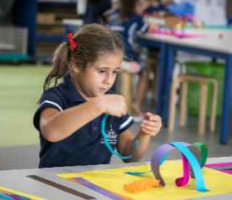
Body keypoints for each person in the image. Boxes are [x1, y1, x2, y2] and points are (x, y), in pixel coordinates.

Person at [33, 24, 162, 168]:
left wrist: (144, 134)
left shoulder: (110, 104)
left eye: (114, 72)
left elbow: (129, 156)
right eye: (102, 71)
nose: (109, 80)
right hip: (53, 185)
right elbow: (51, 131)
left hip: (93, 186)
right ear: (76, 65)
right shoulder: (56, 97)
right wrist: (98, 105)